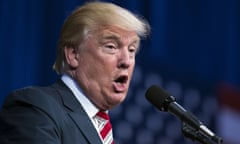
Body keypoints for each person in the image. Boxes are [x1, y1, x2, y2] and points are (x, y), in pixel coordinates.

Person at [0, 1, 150, 144]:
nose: (127, 61)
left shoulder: (102, 126)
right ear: (73, 55)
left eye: (131, 50)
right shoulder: (35, 108)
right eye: (111, 47)